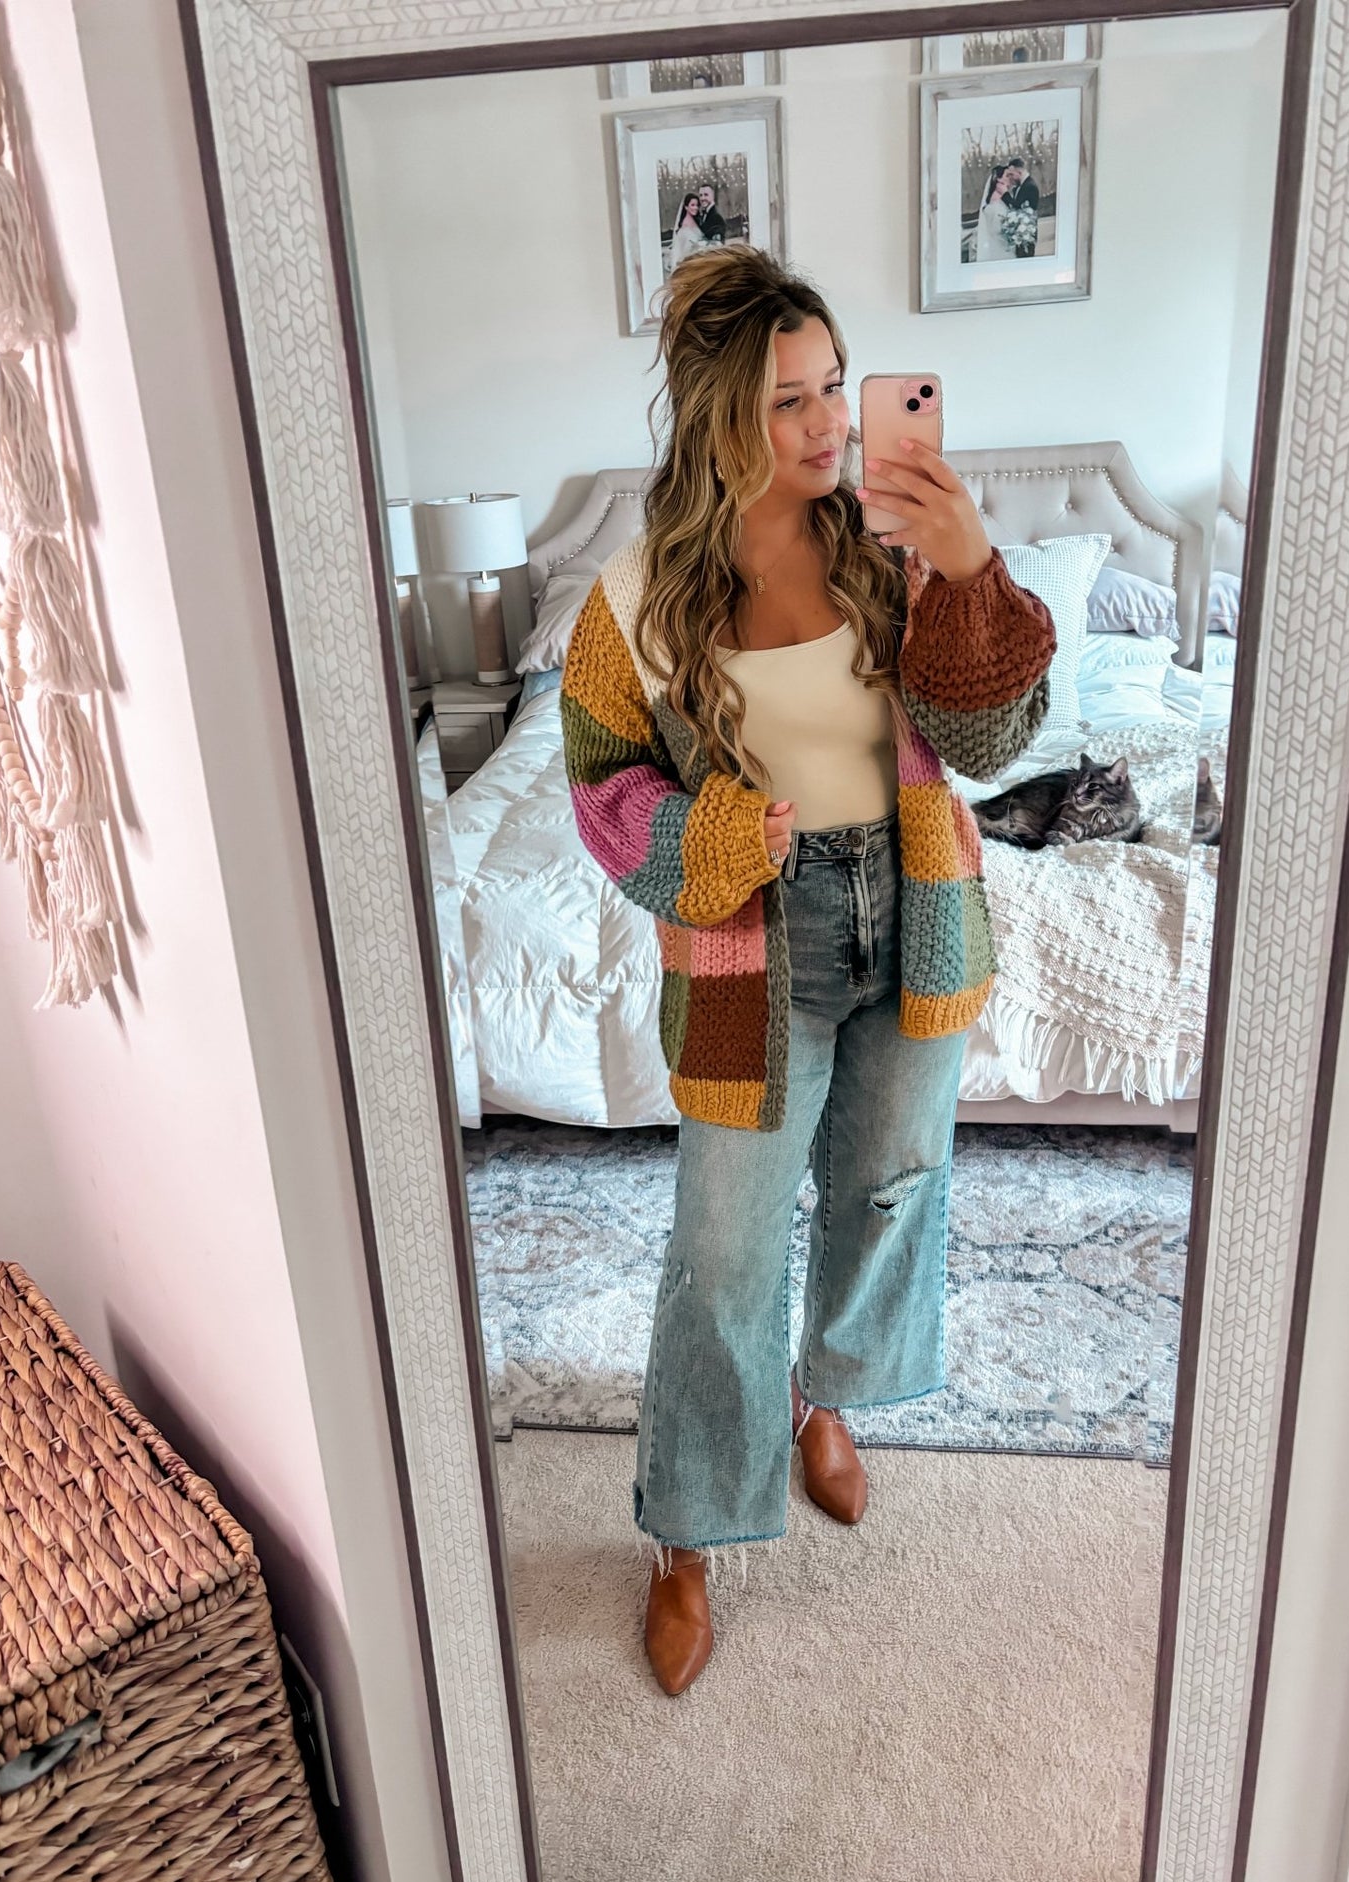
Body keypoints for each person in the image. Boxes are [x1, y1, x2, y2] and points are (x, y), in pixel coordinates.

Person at [559, 246, 1056, 1695]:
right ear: (721, 415)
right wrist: (713, 835)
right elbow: (598, 784)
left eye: (836, 384)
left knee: (889, 1182)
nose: (831, 420)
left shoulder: (894, 541)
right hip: (748, 942)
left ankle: (823, 1398)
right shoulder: (639, 594)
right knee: (722, 1253)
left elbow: (985, 748)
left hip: (916, 909)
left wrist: (970, 571)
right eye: (790, 399)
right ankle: (687, 1532)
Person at [974, 161, 1014, 261]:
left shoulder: (1004, 198)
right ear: (999, 180)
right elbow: (996, 229)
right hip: (999, 249)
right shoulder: (995, 201)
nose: (1010, 178)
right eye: (1007, 175)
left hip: (1006, 246)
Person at [1001, 156, 1040, 257]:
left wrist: (1004, 194)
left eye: (1012, 174)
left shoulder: (1030, 186)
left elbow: (1017, 206)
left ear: (1019, 172)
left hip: (1026, 235)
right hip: (1019, 235)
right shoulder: (1020, 186)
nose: (1011, 177)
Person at [669, 192, 708, 270]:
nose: (696, 208)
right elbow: (682, 250)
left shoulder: (697, 221)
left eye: (697, 205)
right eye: (692, 205)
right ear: (686, 207)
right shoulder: (684, 228)